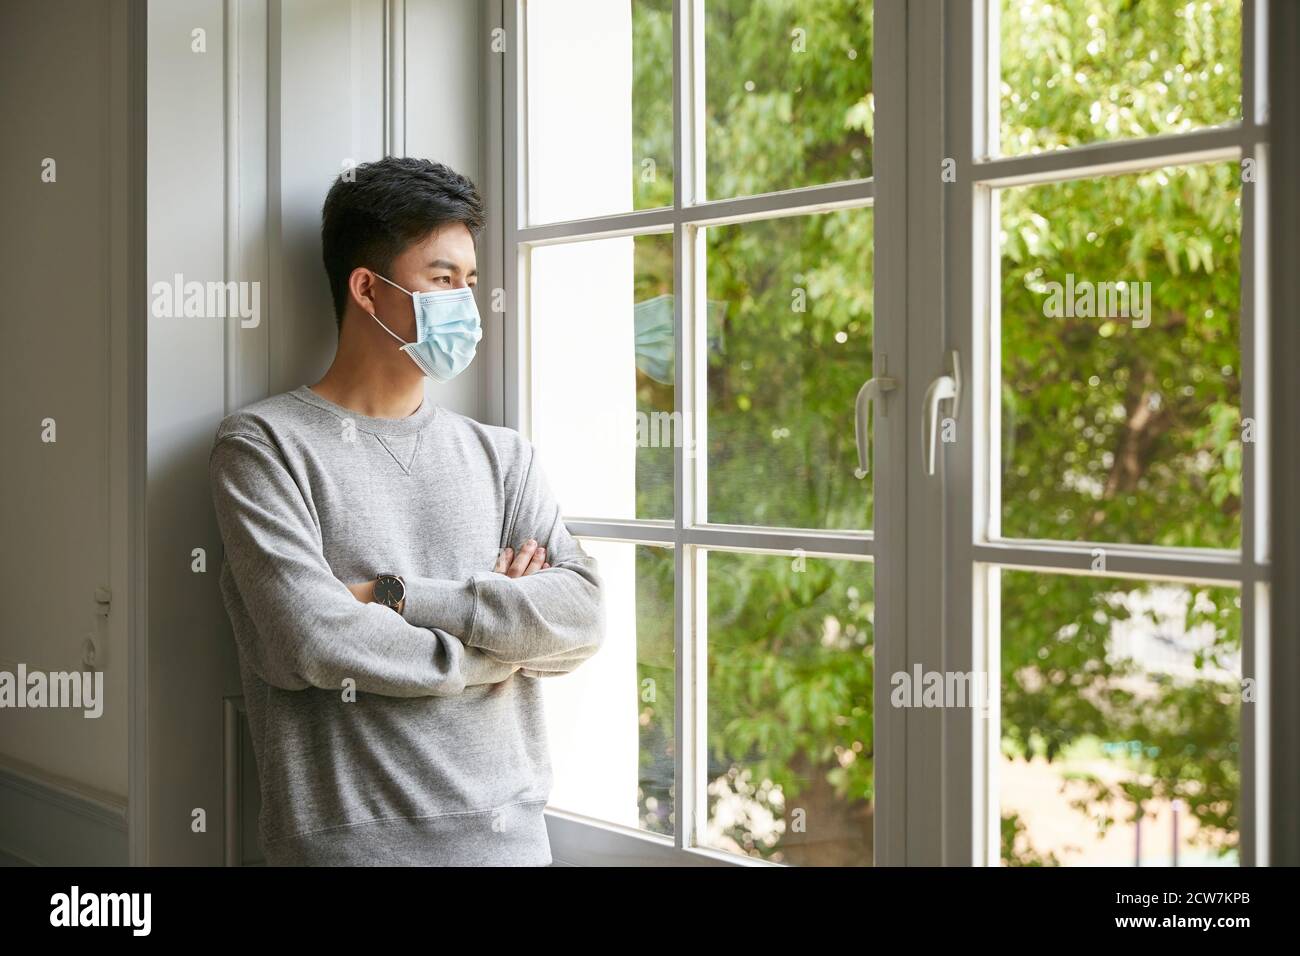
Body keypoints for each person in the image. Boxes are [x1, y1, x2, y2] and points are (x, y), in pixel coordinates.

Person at [207, 156, 604, 866]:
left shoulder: (504, 457)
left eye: (471, 283)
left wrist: (394, 596)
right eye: (443, 279)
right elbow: (314, 641)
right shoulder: (262, 447)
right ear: (367, 288)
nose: (468, 306)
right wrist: (500, 645)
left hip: (510, 852)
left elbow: (580, 618)